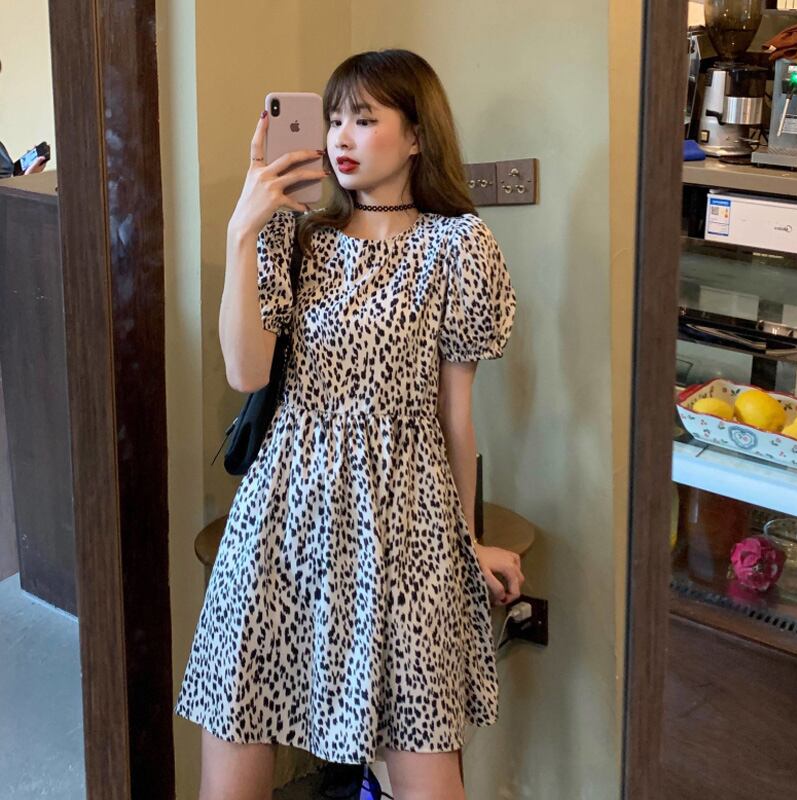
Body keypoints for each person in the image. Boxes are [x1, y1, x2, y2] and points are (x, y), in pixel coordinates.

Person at [175, 48, 525, 800]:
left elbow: (455, 418)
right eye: (333, 119)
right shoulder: (294, 235)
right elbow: (246, 372)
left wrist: (466, 541)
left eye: (363, 119)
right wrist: (244, 229)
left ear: (417, 134)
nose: (340, 136)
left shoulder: (458, 245)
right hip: (282, 516)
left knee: (425, 769)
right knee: (233, 747)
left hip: (405, 524)